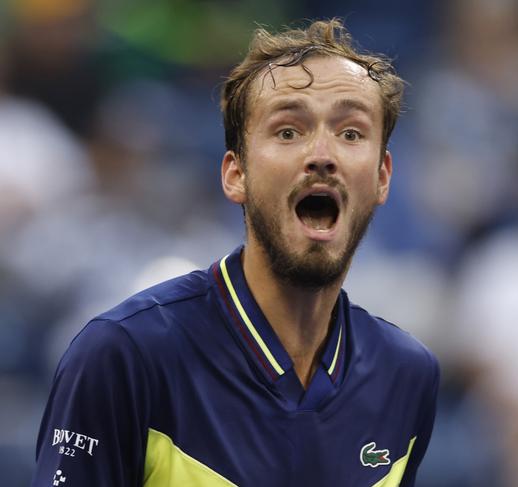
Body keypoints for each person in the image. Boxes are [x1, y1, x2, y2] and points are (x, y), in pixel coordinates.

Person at [31, 19, 440, 486]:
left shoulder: (407, 374)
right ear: (235, 174)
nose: (322, 154)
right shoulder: (124, 354)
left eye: (351, 133)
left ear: (383, 176)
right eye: (288, 131)